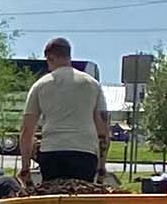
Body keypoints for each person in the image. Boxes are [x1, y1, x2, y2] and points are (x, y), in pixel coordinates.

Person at [18, 39, 110, 189]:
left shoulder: (40, 85)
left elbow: (27, 130)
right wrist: (101, 166)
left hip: (52, 152)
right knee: (80, 201)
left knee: (54, 200)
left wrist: (25, 167)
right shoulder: (92, 85)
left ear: (50, 58)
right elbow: (103, 129)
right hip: (85, 153)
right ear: (68, 56)